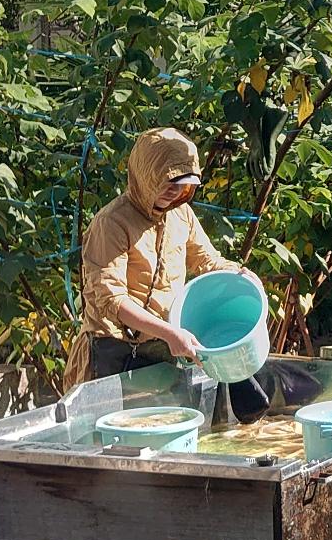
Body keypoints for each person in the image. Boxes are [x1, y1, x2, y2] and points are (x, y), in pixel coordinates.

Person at [71, 127, 268, 415]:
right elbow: (112, 300)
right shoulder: (111, 223)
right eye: (169, 182)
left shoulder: (181, 215)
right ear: (146, 177)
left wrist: (243, 275)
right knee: (117, 432)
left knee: (166, 427)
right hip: (114, 350)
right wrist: (171, 333)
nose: (175, 192)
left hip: (162, 347)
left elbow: (208, 261)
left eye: (184, 185)